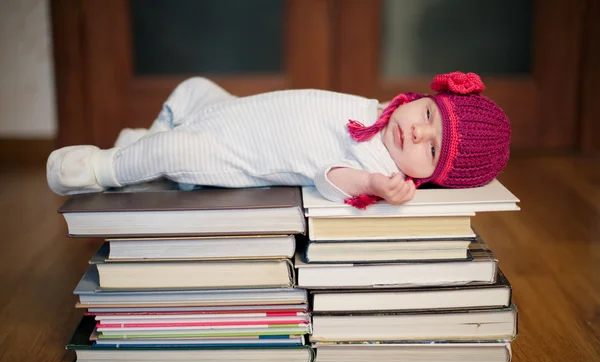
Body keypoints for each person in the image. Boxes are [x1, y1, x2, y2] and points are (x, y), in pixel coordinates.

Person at [46, 71, 510, 208]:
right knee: (193, 87)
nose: (416, 130)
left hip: (234, 154)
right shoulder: (381, 112)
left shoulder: (380, 167)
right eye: (428, 113)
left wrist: (371, 184)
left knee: (176, 149)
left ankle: (105, 168)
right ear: (422, 98)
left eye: (430, 148)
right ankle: (148, 144)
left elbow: (328, 178)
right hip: (233, 112)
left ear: (430, 178)